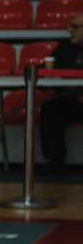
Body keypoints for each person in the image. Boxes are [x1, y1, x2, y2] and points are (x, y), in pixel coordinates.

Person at [40, 15, 83, 173]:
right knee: (49, 108)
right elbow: (44, 68)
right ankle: (55, 160)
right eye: (70, 26)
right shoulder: (64, 46)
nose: (70, 30)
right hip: (69, 99)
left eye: (75, 27)